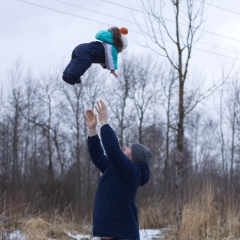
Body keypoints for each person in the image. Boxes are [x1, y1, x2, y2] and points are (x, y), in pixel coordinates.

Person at [84, 100, 152, 240]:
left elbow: (112, 150)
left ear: (134, 158)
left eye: (129, 148)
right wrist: (92, 129)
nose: (125, 148)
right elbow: (97, 156)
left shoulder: (132, 173)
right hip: (110, 235)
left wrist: (104, 122)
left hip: (122, 236)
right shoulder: (115, 168)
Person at [62, 27, 128, 85]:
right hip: (86, 52)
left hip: (80, 48)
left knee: (75, 62)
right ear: (120, 45)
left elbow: (105, 58)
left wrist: (107, 66)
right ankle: (73, 76)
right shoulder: (112, 48)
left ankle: (66, 75)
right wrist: (112, 69)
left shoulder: (106, 45)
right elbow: (112, 58)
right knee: (84, 62)